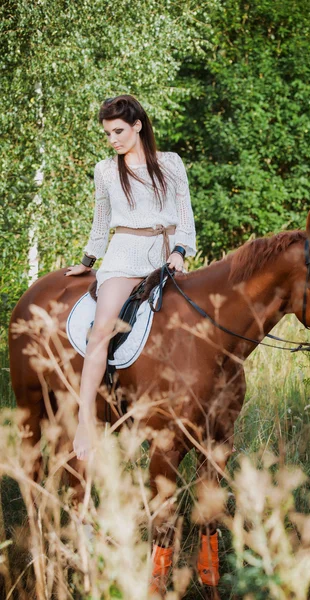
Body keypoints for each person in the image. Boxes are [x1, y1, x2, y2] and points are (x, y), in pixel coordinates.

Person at [65, 94, 196, 460]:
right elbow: (101, 222)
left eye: (118, 131)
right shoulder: (105, 170)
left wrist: (179, 252)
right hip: (123, 257)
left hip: (166, 256)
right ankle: (86, 421)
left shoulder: (170, 163)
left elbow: (185, 218)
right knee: (103, 330)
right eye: (107, 133)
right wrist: (89, 261)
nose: (113, 140)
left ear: (137, 125)